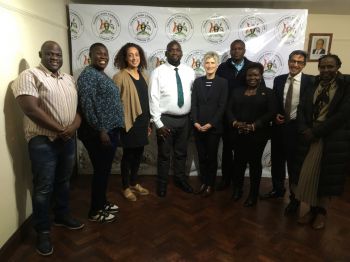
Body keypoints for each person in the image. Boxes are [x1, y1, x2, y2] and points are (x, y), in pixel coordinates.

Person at [11, 41, 84, 256]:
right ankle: (43, 230)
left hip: (67, 139)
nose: (55, 57)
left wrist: (71, 128)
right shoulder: (29, 75)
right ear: (40, 54)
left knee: (63, 181)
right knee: (43, 188)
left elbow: (77, 111)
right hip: (43, 141)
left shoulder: (69, 78)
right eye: (50, 53)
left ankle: (62, 215)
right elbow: (30, 109)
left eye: (58, 54)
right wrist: (60, 129)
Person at [294, 54, 350, 229]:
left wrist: (316, 132)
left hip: (332, 137)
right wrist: (304, 129)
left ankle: (322, 213)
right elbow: (302, 108)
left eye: (330, 66)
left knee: (326, 178)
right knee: (310, 174)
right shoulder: (313, 83)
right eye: (323, 67)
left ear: (338, 66)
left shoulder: (346, 85)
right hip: (310, 134)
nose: (326, 70)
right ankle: (311, 209)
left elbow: (343, 114)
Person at [260, 50, 314, 216]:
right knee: (277, 161)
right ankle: (277, 189)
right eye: (293, 61)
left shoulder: (311, 81)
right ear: (289, 61)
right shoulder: (279, 79)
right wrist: (275, 114)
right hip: (279, 127)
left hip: (298, 130)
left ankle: (295, 198)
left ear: (304, 65)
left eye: (299, 62)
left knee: (294, 166)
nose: (295, 65)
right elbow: (275, 101)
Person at [78, 43, 124, 223]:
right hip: (99, 133)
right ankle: (95, 211)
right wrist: (101, 130)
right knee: (100, 171)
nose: (103, 56)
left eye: (105, 54)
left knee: (104, 171)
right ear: (90, 55)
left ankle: (102, 202)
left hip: (108, 130)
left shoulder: (99, 74)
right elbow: (87, 106)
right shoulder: (88, 76)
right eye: (99, 53)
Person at [216, 39, 265, 191]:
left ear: (244, 50)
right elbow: (218, 89)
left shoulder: (252, 67)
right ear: (230, 51)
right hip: (228, 116)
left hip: (247, 118)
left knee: (243, 154)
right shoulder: (222, 68)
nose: (236, 51)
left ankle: (239, 182)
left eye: (240, 48)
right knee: (227, 150)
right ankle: (226, 179)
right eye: (234, 49)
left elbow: (260, 92)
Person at [149, 40, 195, 197]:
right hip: (166, 120)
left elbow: (191, 94)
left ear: (181, 53)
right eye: (171, 50)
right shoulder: (158, 72)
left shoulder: (190, 71)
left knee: (181, 153)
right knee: (164, 155)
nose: (175, 52)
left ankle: (180, 179)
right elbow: (153, 98)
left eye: (177, 50)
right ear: (166, 53)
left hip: (185, 120)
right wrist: (158, 123)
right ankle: (162, 184)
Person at [226, 62, 276, 207]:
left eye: (255, 75)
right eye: (249, 75)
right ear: (245, 76)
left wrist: (254, 125)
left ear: (260, 76)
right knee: (238, 163)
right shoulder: (236, 91)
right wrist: (235, 123)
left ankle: (253, 194)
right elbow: (228, 110)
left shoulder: (268, 92)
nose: (252, 77)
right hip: (238, 132)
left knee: (254, 164)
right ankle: (237, 189)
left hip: (257, 135)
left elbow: (271, 113)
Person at [113, 43, 151, 201]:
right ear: (125, 57)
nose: (134, 57)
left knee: (138, 154)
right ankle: (125, 186)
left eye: (137, 54)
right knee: (128, 156)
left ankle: (134, 183)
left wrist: (149, 123)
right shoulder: (120, 76)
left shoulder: (144, 75)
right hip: (129, 122)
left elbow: (147, 101)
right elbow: (115, 103)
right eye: (130, 55)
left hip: (143, 122)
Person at [191, 51, 228, 197]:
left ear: (217, 65)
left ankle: (210, 184)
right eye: (207, 62)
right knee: (202, 157)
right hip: (198, 127)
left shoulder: (223, 83)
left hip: (214, 128)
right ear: (204, 65)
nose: (210, 65)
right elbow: (193, 104)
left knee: (211, 158)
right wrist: (195, 122)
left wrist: (211, 123)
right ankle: (204, 182)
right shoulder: (198, 82)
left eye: (213, 63)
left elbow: (222, 106)